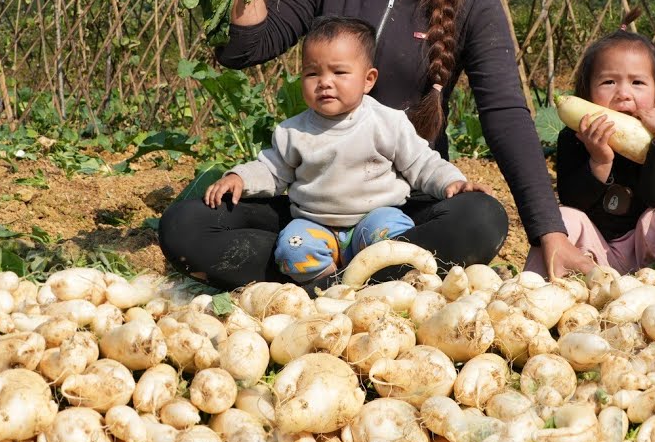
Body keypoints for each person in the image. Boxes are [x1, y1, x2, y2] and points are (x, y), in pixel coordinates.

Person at [159, 0, 591, 289]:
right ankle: (362, 276)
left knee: (481, 219)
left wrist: (549, 233)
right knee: (184, 226)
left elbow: (505, 115)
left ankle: (310, 279)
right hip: (310, 202)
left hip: (402, 207)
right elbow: (243, 48)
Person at [203, 16, 485, 283]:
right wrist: (239, 178)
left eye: (339, 72)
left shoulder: (386, 122)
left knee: (395, 241)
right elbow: (271, 169)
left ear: (368, 79)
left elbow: (423, 163)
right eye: (312, 73)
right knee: (291, 249)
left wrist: (452, 182)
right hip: (315, 226)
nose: (325, 82)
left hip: (374, 219)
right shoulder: (293, 132)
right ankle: (326, 288)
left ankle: (380, 283)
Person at [525, 9, 655, 283]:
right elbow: (572, 198)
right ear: (587, 95)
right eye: (608, 82)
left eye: (637, 83)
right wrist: (599, 162)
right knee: (562, 218)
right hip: (591, 251)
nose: (623, 93)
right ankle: (528, 293)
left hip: (642, 250)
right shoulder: (574, 136)